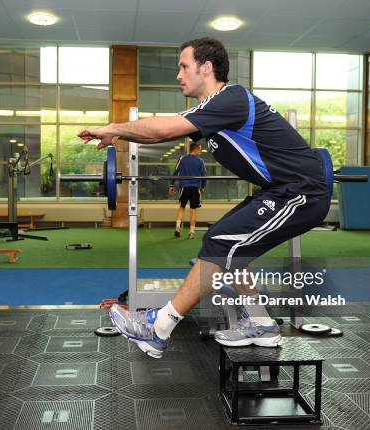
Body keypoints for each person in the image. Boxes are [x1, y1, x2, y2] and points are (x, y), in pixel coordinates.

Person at [78, 37, 331, 358]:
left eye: (184, 66)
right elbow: (166, 127)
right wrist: (120, 133)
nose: (178, 75)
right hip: (279, 191)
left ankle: (158, 329)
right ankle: (260, 324)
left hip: (301, 192)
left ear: (206, 67)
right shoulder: (214, 109)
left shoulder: (232, 98)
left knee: (221, 241)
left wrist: (114, 125)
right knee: (229, 247)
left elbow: (165, 129)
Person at [169, 142, 206, 240]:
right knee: (193, 210)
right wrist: (203, 187)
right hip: (195, 188)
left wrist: (172, 184)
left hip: (184, 187)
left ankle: (177, 228)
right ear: (196, 149)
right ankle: (191, 233)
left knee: (181, 208)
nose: (201, 151)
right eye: (200, 149)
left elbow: (175, 172)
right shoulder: (200, 161)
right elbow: (204, 176)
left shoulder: (182, 159)